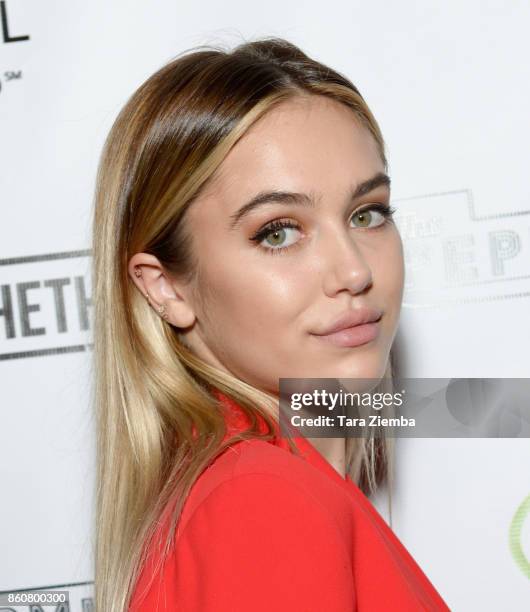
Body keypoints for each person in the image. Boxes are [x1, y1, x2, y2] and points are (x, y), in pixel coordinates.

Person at [91, 36, 450, 611]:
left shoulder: (267, 488)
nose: (354, 271)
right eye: (278, 232)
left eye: (368, 214)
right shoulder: (263, 498)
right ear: (166, 287)